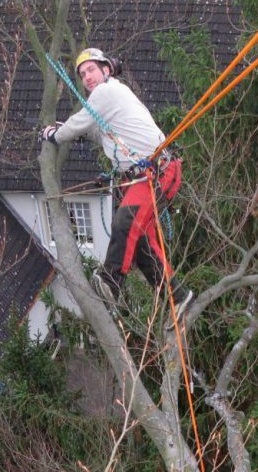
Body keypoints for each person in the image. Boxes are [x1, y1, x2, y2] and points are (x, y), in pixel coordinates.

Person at [41, 47, 193, 326]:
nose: (87, 77)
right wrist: (72, 130)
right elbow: (99, 133)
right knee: (142, 246)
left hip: (155, 173)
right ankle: (177, 298)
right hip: (152, 174)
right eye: (83, 74)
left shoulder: (107, 92)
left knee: (124, 221)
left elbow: (79, 124)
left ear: (106, 70)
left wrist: (55, 135)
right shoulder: (110, 101)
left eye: (92, 70)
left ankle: (111, 280)